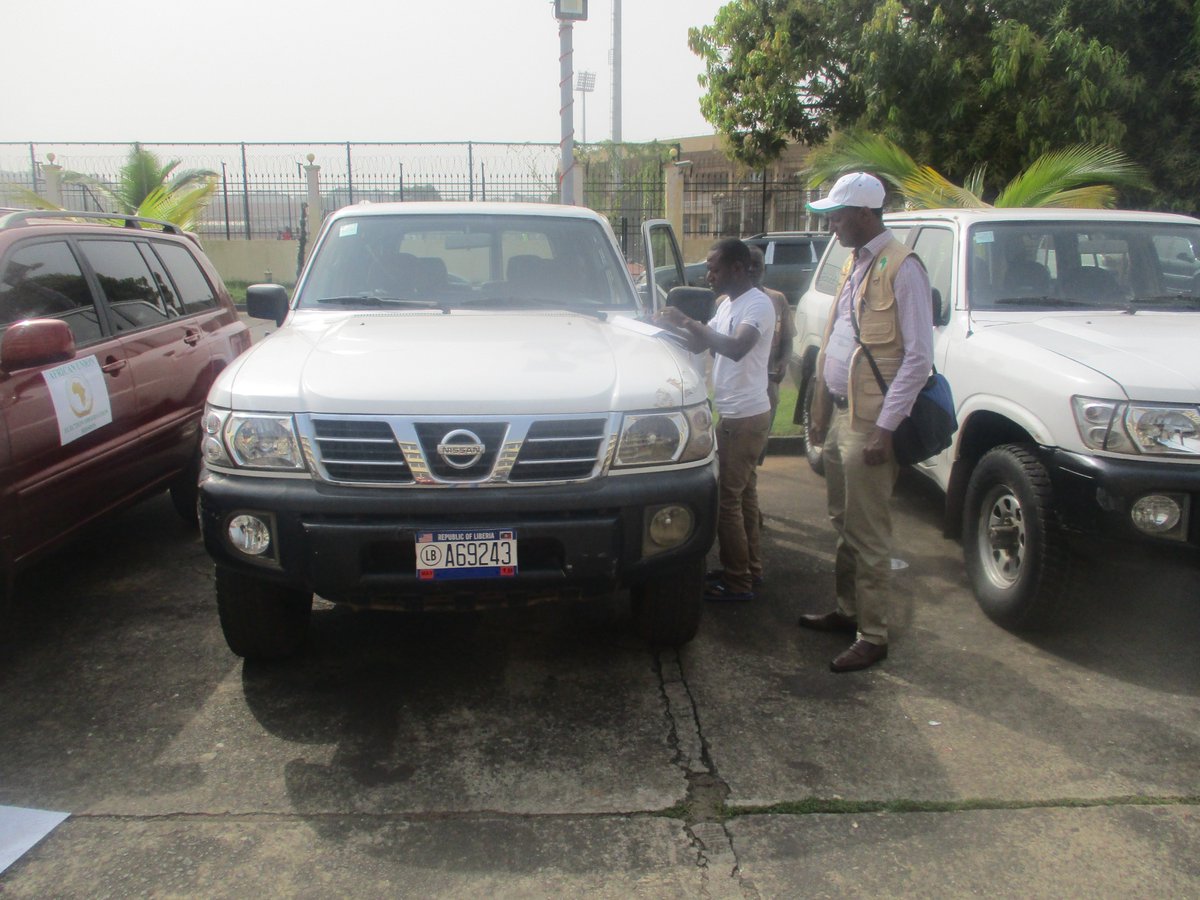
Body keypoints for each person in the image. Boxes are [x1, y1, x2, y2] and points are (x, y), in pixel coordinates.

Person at [798, 172, 934, 672]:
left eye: (837, 215)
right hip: (840, 412)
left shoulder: (903, 267)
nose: (831, 224)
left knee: (869, 533)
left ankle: (873, 635)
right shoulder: (854, 262)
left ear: (863, 213)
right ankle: (849, 610)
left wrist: (885, 429)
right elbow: (836, 341)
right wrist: (819, 409)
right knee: (843, 520)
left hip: (870, 421)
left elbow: (917, 359)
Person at [656, 238, 776, 601]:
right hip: (735, 415)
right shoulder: (726, 304)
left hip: (745, 418)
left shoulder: (758, 304)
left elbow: (736, 348)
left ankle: (737, 581)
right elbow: (700, 344)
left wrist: (687, 320)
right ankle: (750, 570)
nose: (709, 276)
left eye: (714, 269)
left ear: (737, 268)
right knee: (745, 497)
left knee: (727, 503)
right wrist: (664, 329)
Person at [748, 245, 795, 465]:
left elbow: (787, 339)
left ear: (764, 269)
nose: (752, 270)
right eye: (747, 265)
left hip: (769, 381)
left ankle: (755, 470)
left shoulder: (778, 300)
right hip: (741, 384)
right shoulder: (726, 302)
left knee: (761, 439)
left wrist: (784, 363)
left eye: (757, 265)